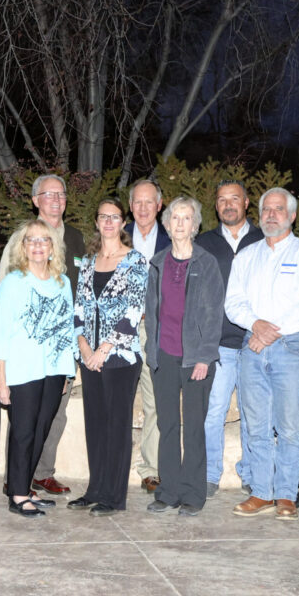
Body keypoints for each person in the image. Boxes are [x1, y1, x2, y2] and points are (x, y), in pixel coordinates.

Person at [225, 187, 299, 521]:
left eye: (279, 209)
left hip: (289, 348)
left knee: (289, 426)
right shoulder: (246, 256)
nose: (270, 214)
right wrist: (255, 324)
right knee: (257, 427)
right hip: (252, 349)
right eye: (266, 209)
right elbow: (233, 302)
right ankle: (261, 493)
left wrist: (268, 332)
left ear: (292, 216)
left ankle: (285, 495)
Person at [0, 174, 86, 497]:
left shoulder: (75, 238)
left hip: (59, 351)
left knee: (53, 417)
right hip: (25, 352)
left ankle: (41, 474)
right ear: (35, 200)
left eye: (60, 194)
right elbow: (6, 294)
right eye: (48, 195)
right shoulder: (24, 237)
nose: (55, 200)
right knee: (23, 422)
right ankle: (16, 481)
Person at [144, 197, 224, 517]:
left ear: (195, 225)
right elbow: (152, 312)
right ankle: (168, 491)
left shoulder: (206, 263)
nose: (179, 223)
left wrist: (205, 357)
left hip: (196, 360)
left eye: (186, 218)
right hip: (164, 355)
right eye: (174, 218)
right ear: (167, 225)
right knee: (167, 425)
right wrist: (152, 354)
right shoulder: (158, 263)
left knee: (193, 426)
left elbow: (213, 313)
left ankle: (193, 493)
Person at [68, 198, 148, 516]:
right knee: (96, 426)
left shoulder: (136, 261)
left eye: (115, 217)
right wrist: (85, 347)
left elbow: (134, 311)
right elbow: (78, 308)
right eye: (103, 217)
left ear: (123, 222)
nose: (109, 222)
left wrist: (104, 348)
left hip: (121, 358)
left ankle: (114, 496)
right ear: (98, 222)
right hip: (90, 358)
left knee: (116, 427)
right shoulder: (88, 262)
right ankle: (95, 489)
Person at [0, 220, 75, 519]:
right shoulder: (13, 282)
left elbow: (66, 329)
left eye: (44, 240)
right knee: (23, 433)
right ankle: (17, 494)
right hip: (21, 371)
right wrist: (1, 379)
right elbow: (0, 333)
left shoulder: (62, 282)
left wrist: (67, 371)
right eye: (31, 240)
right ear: (23, 247)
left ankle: (25, 489)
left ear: (53, 247)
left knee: (41, 431)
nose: (38, 245)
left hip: (53, 371)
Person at [195, 180, 263, 498]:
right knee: (212, 411)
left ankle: (251, 473)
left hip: (255, 343)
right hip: (218, 343)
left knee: (253, 413)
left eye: (234, 198)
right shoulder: (204, 242)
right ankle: (209, 474)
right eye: (221, 200)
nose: (228, 204)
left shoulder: (265, 239)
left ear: (247, 202)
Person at [124, 179, 170, 494]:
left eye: (148, 202)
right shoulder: (115, 234)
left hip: (154, 330)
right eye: (137, 202)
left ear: (159, 205)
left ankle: (151, 470)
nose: (142, 208)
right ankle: (111, 466)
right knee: (116, 401)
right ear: (131, 206)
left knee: (155, 401)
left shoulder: (173, 238)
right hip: (119, 331)